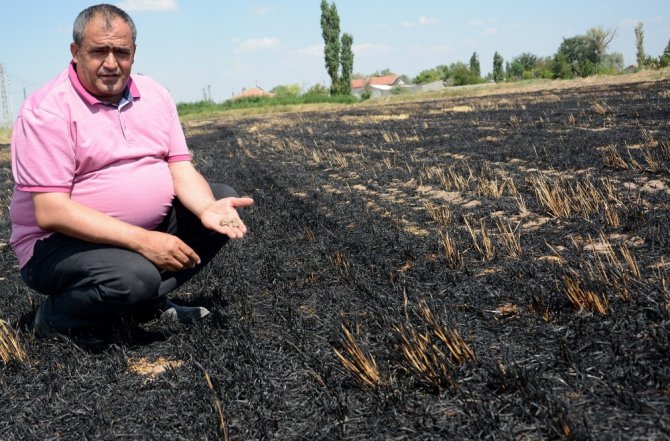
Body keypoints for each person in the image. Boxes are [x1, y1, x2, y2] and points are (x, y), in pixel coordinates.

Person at [9, 4, 253, 347]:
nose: (111, 63)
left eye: (121, 52)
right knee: (135, 277)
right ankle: (54, 319)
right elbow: (51, 212)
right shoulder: (48, 110)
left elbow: (180, 167)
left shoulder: (154, 95)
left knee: (216, 207)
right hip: (54, 246)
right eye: (98, 51)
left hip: (130, 234)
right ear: (76, 52)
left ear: (134, 54)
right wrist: (145, 242)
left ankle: (144, 303)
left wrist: (206, 209)